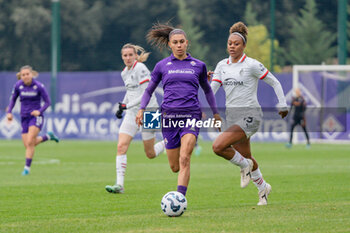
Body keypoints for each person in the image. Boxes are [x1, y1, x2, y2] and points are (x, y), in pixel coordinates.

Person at [135, 23, 221, 197]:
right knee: (175, 167)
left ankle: (180, 198)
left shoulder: (198, 65)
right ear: (170, 45)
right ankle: (174, 143)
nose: (179, 45)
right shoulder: (161, 66)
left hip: (191, 115)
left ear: (187, 43)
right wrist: (141, 109)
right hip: (168, 117)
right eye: (175, 42)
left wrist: (216, 113)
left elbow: (208, 90)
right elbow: (149, 90)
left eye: (182, 41)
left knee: (185, 158)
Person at [209, 22, 288, 205]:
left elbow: (275, 82)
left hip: (251, 115)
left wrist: (282, 104)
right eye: (230, 43)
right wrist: (205, 84)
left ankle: (244, 166)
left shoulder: (252, 65)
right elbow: (211, 91)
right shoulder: (222, 65)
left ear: (244, 45)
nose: (232, 46)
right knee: (247, 156)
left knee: (218, 147)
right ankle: (263, 188)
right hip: (233, 117)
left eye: (236, 44)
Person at [105, 43, 165, 194]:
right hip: (132, 113)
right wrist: (123, 105)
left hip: (149, 111)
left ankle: (169, 139)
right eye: (125, 55)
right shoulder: (124, 72)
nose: (127, 58)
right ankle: (119, 185)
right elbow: (130, 91)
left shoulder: (141, 69)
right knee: (121, 147)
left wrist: (127, 106)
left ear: (136, 56)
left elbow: (146, 93)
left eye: (130, 55)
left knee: (150, 154)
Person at [6, 65, 59, 176]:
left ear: (31, 74)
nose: (25, 76)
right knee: (28, 145)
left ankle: (26, 169)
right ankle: (48, 136)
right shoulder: (18, 85)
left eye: (27, 74)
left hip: (36, 117)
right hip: (24, 117)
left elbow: (48, 102)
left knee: (30, 141)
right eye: (23, 75)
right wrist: (9, 112)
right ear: (21, 76)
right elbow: (13, 100)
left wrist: (39, 111)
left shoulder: (39, 86)